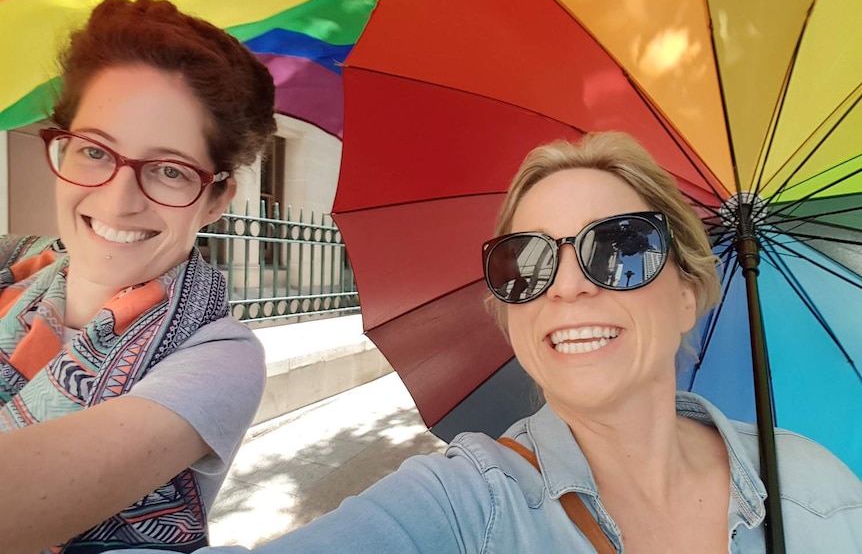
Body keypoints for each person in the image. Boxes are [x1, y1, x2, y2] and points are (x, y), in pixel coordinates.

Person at [120, 133, 862, 554]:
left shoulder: (819, 488)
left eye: (620, 248)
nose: (567, 286)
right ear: (509, 311)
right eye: (526, 262)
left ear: (686, 293)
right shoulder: (465, 505)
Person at [0, 0, 276, 553]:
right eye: (95, 151)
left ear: (218, 197)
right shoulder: (12, 266)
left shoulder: (219, 357)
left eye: (170, 170)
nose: (118, 200)